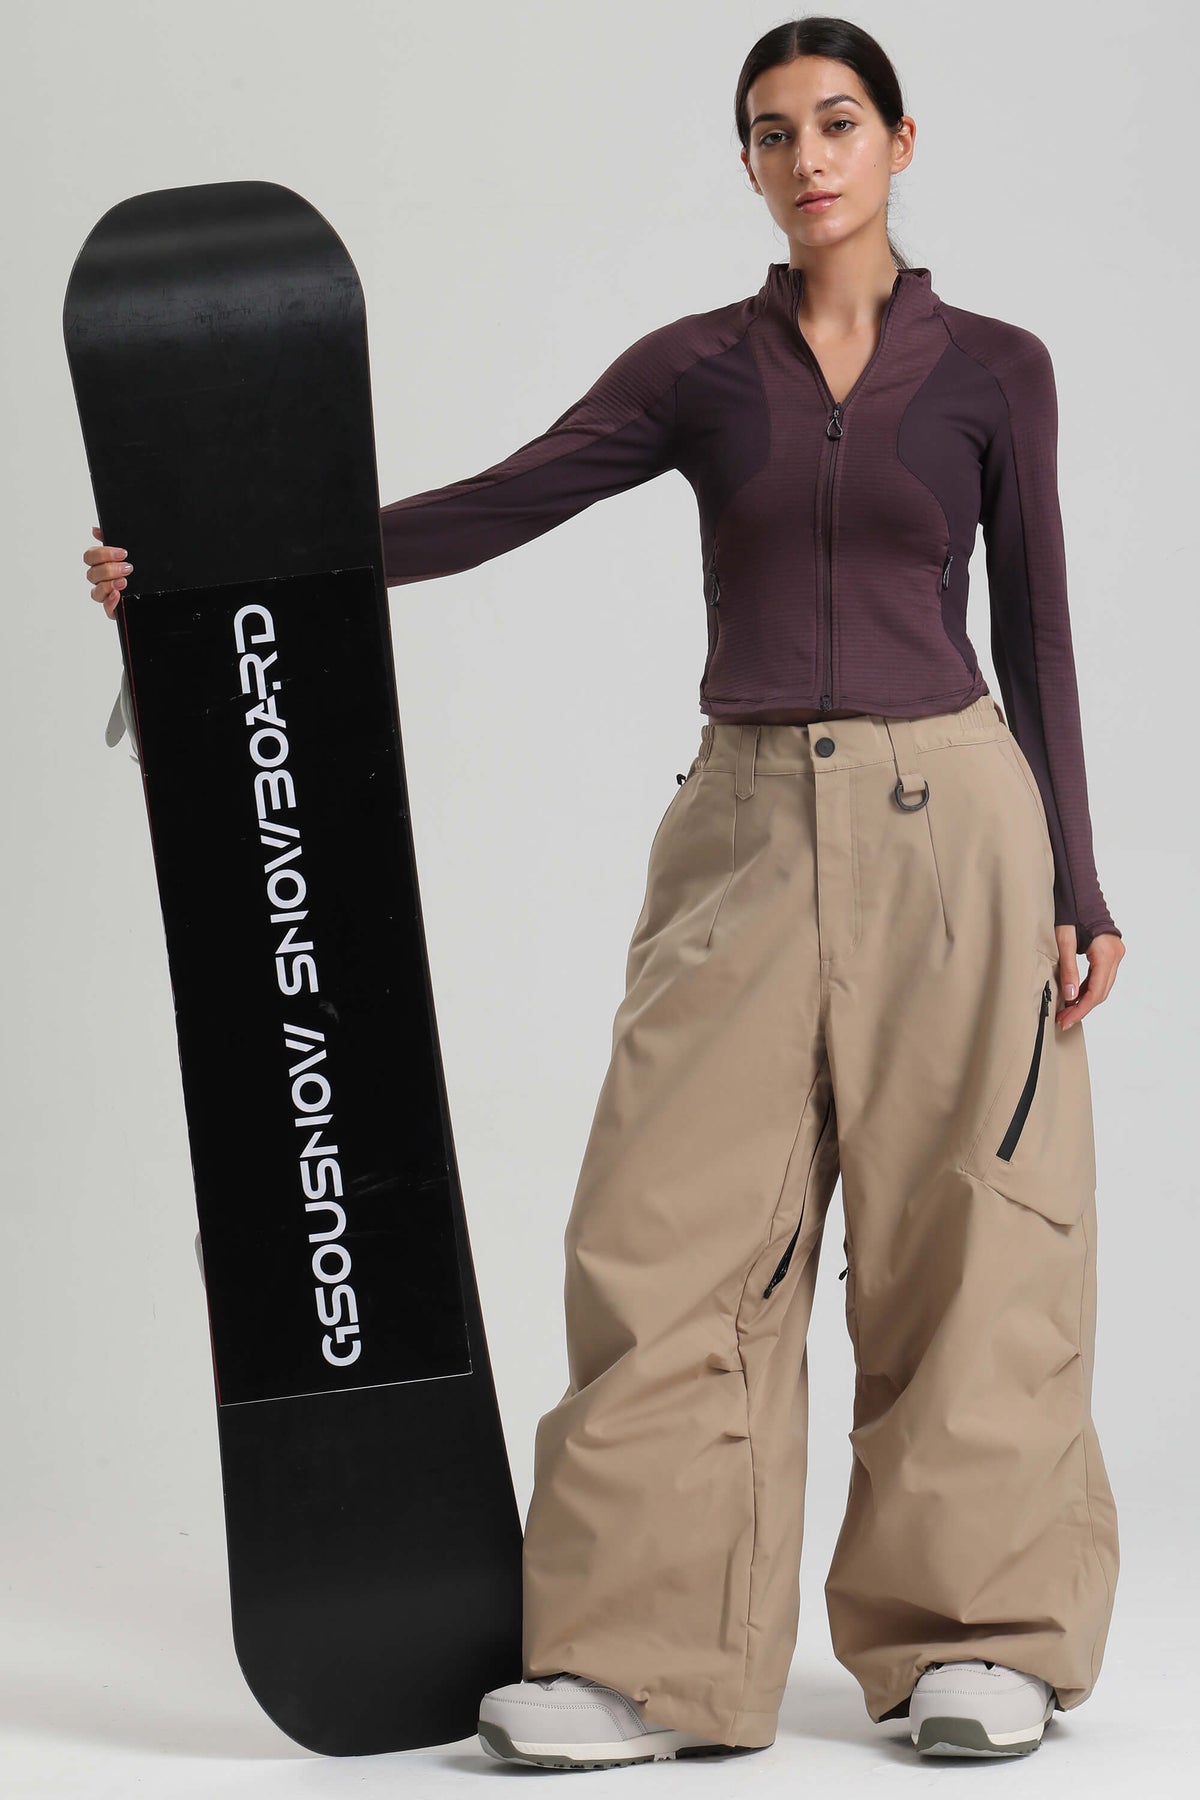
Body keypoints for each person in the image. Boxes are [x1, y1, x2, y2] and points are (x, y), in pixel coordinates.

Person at [82, 15, 1124, 1771]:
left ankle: (981, 1639)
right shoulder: (699, 368)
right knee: (667, 1231)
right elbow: (504, 504)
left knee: (974, 1240)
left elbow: (1041, 627)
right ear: (749, 164)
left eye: (838, 122)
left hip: (956, 823)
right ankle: (643, 1658)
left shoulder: (995, 369)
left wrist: (1080, 884)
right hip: (744, 828)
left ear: (900, 141)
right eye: (773, 132)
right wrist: (215, 560)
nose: (808, 157)